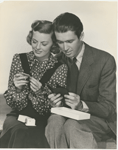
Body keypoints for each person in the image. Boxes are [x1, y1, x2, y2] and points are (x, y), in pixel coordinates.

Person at [45, 12, 116, 148]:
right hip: (65, 116)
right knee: (54, 121)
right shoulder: (56, 61)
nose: (65, 48)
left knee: (73, 125)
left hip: (98, 120)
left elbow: (109, 108)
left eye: (70, 41)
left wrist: (82, 105)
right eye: (60, 42)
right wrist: (53, 103)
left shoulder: (104, 60)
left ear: (81, 36)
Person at [0, 20, 68, 148]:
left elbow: (50, 108)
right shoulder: (19, 59)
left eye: (44, 43)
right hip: (16, 116)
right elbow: (13, 103)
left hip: (42, 119)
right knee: (18, 131)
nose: (37, 47)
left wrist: (39, 92)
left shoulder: (60, 68)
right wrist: (18, 89)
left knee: (35, 134)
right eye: (34, 41)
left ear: (53, 44)